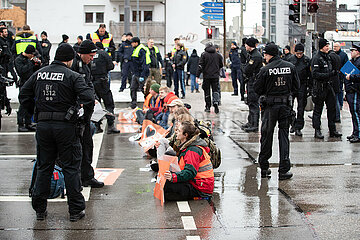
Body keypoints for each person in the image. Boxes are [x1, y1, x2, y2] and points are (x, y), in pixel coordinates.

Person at [19, 43, 95, 222]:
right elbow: (89, 97)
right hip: (66, 127)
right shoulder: (73, 75)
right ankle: (75, 210)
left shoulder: (40, 74)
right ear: (69, 60)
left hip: (44, 126)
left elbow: (24, 95)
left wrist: (35, 113)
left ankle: (39, 208)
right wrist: (80, 116)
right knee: (71, 168)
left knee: (44, 166)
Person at [254, 43, 300, 180]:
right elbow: (296, 86)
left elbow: (257, 88)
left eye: (265, 54)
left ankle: (264, 167)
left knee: (267, 136)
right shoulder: (290, 67)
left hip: (270, 107)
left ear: (269, 54)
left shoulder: (265, 70)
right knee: (284, 136)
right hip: (285, 106)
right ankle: (284, 169)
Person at [71, 40, 104, 188]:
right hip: (75, 113)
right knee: (78, 147)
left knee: (87, 145)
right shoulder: (73, 65)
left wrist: (94, 99)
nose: (92, 58)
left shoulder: (85, 65)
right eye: (90, 55)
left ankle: (87, 176)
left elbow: (88, 85)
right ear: (82, 53)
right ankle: (78, 176)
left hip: (85, 113)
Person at [163, 121, 214, 201]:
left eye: (179, 131)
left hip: (200, 188)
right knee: (165, 181)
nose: (176, 132)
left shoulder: (192, 150)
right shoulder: (187, 146)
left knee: (166, 187)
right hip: (196, 183)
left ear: (185, 135)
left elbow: (190, 172)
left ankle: (198, 198)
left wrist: (173, 177)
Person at [311, 38, 342, 139]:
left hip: (329, 86)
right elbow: (315, 74)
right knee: (318, 110)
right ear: (321, 47)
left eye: (328, 46)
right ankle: (317, 130)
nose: (328, 48)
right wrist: (329, 74)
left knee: (332, 109)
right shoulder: (316, 58)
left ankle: (332, 130)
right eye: (326, 46)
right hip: (320, 87)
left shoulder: (328, 57)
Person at [91, 42, 119, 134]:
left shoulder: (91, 55)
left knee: (96, 104)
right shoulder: (104, 54)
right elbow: (110, 66)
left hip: (92, 82)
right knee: (108, 103)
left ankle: (97, 126)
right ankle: (110, 125)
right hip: (103, 82)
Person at [15, 45, 41, 132]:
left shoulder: (30, 60)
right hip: (24, 84)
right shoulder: (19, 60)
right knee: (23, 104)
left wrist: (37, 64)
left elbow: (35, 71)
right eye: (32, 55)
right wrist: (30, 63)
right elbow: (21, 72)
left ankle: (28, 122)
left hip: (32, 84)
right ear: (28, 54)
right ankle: (21, 124)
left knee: (31, 104)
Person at [288, 43, 312, 136]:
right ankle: (292, 123)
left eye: (301, 53)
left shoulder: (306, 60)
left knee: (301, 108)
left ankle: (299, 127)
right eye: (297, 53)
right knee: (289, 107)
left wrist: (310, 87)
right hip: (292, 86)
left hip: (302, 85)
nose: (299, 55)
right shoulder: (290, 60)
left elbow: (310, 75)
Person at [242, 37, 263, 132]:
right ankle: (250, 122)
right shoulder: (251, 54)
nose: (245, 46)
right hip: (250, 81)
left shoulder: (256, 56)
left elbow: (249, 68)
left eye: (246, 44)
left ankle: (254, 125)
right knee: (250, 102)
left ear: (250, 45)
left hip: (254, 82)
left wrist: (244, 70)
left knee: (254, 103)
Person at [196, 43, 223, 114]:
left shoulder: (204, 55)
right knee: (215, 90)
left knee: (206, 90)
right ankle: (216, 103)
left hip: (207, 76)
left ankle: (208, 106)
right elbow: (221, 65)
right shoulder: (218, 55)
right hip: (215, 76)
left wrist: (197, 75)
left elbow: (200, 66)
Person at [345, 43, 360, 143]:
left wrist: (351, 77)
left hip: (355, 89)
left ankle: (358, 134)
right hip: (350, 89)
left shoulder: (359, 62)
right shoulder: (352, 61)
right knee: (353, 113)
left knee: (356, 112)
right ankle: (355, 132)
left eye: (353, 50)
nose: (351, 52)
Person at [130, 37, 150, 109]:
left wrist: (142, 75)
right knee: (133, 88)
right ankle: (133, 103)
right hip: (136, 73)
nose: (131, 44)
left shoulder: (142, 50)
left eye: (132, 42)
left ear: (136, 43)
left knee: (144, 89)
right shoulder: (135, 49)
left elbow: (144, 63)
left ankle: (148, 103)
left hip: (141, 73)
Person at [333, 42, 349, 122]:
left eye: (336, 46)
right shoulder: (333, 54)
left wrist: (341, 72)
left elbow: (346, 65)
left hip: (340, 76)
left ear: (339, 47)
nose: (334, 48)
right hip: (335, 76)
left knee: (339, 92)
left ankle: (340, 104)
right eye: (334, 46)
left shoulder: (343, 55)